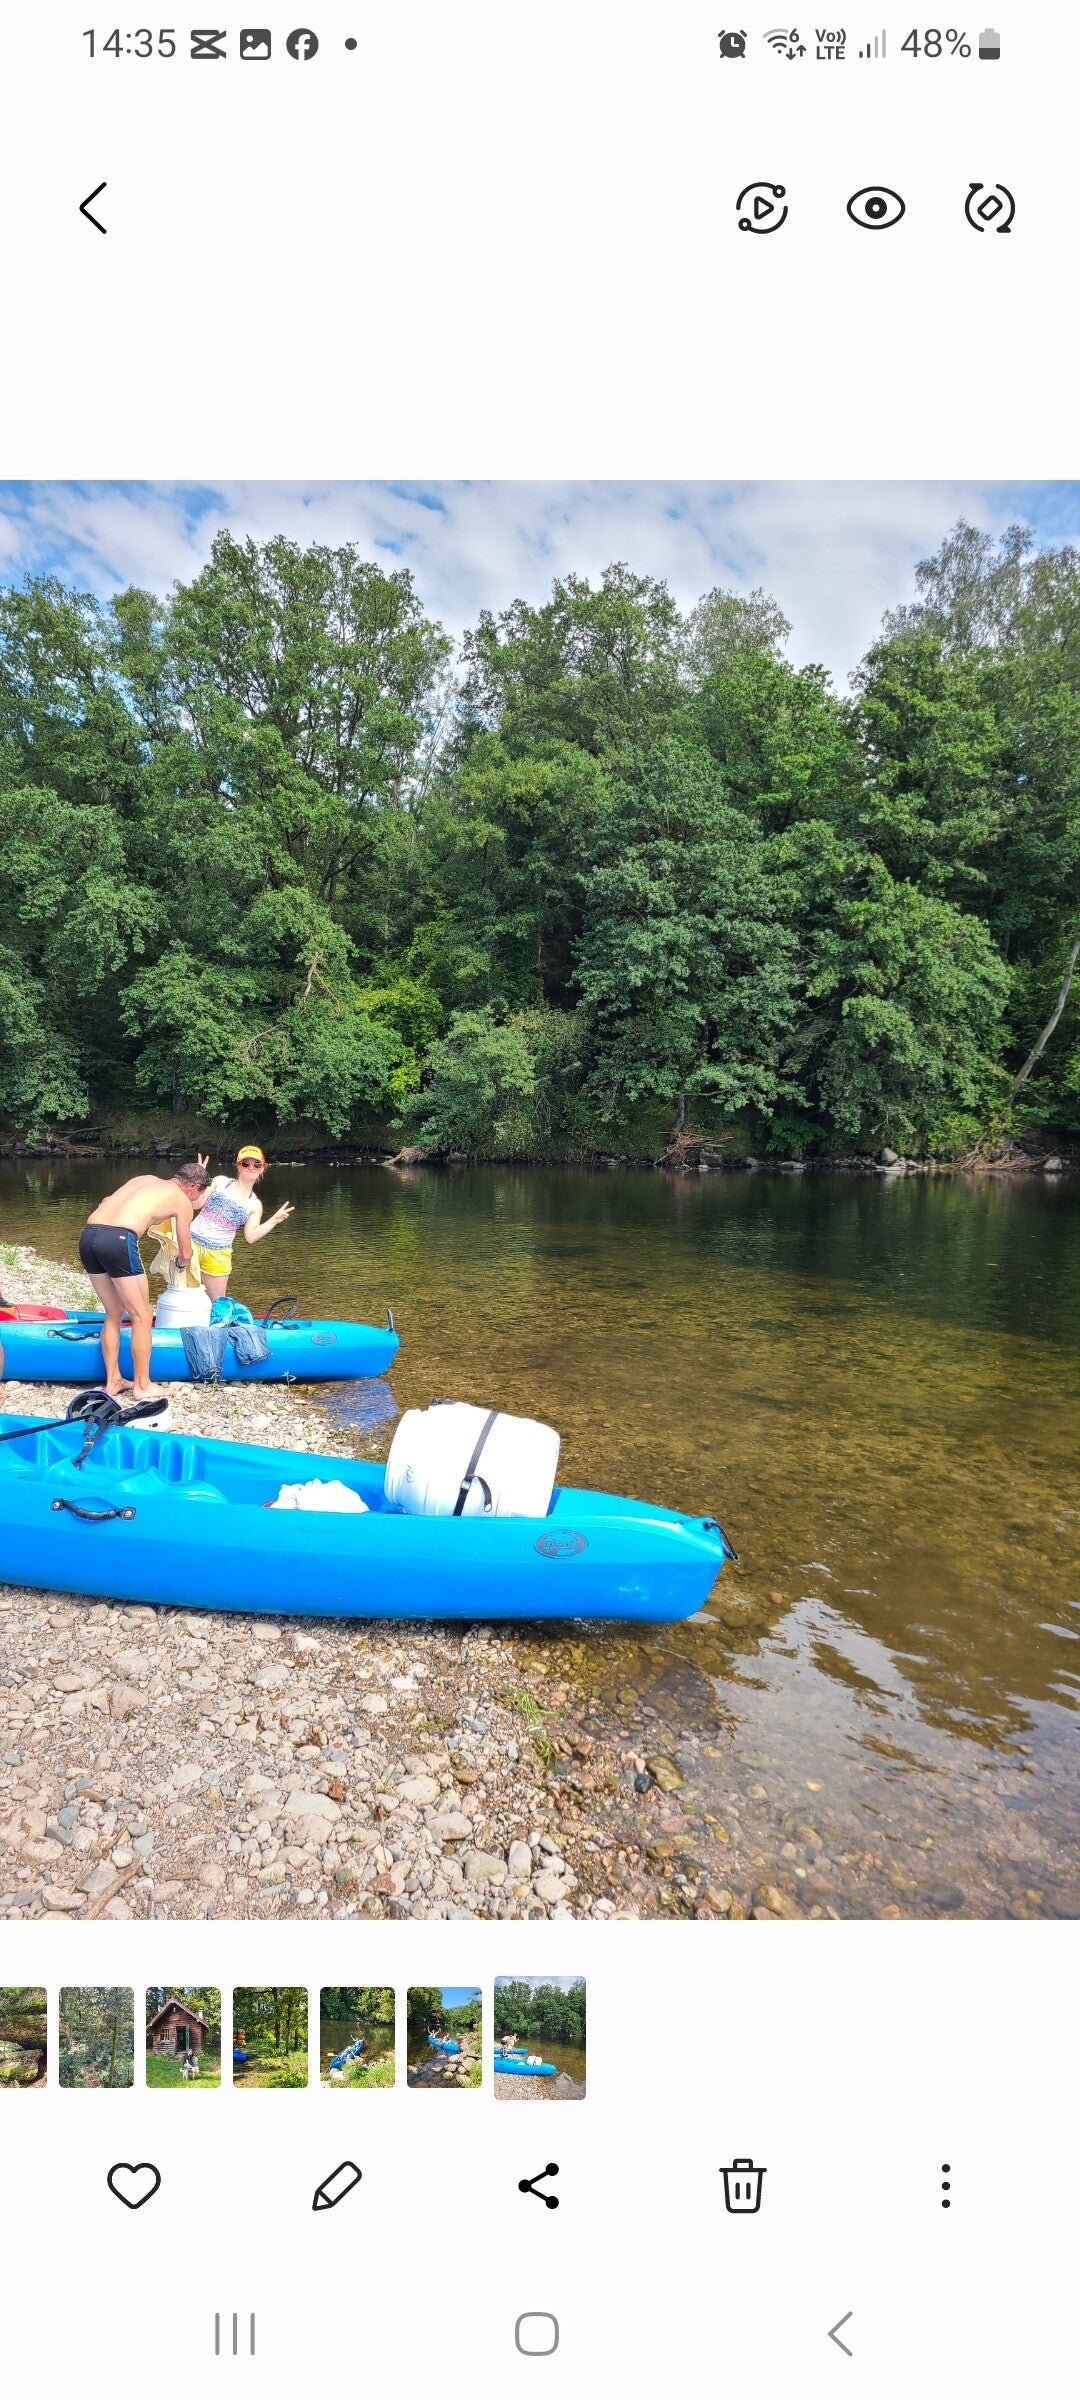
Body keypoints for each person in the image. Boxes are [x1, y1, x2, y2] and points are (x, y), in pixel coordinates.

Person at [78, 1162, 210, 1400]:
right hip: (118, 1239)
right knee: (142, 1317)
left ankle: (113, 1381)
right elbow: (186, 1252)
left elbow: (106, 1201)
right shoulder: (181, 1200)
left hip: (89, 1235)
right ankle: (142, 1385)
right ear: (194, 1187)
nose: (194, 1201)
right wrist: (179, 1265)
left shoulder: (144, 1179)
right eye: (198, 1195)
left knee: (114, 1312)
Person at [189, 1145, 295, 1299]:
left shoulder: (255, 1205)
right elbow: (195, 1205)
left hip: (219, 1253)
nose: (251, 1167)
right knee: (185, 1293)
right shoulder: (220, 1182)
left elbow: (250, 1237)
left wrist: (274, 1220)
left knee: (218, 1302)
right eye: (246, 1163)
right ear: (238, 1165)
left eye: (256, 1164)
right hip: (192, 1243)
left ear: (262, 1169)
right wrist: (198, 1179)